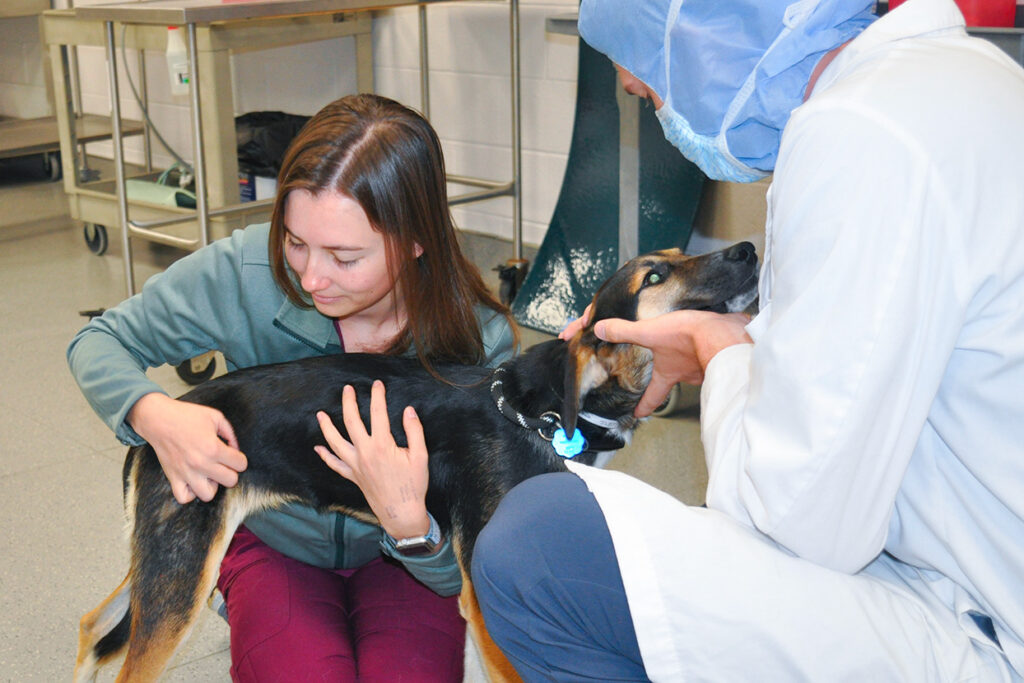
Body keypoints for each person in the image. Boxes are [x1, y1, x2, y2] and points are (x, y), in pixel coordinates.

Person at [467, 0, 1024, 680]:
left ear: (707, 29)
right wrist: (740, 336)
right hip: (965, 561)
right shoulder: (958, 79)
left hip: (979, 620)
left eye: (646, 81)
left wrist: (716, 348)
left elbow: (792, 519)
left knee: (536, 546)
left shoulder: (857, 134)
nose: (644, 99)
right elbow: (882, 346)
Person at [67, 93, 517, 682]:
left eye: (344, 257)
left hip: (406, 558)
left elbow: (479, 569)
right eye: (296, 241)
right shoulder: (245, 270)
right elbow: (99, 341)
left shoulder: (479, 343)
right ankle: (234, 590)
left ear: (414, 241)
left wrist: (415, 531)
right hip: (272, 545)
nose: (309, 277)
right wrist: (154, 413)